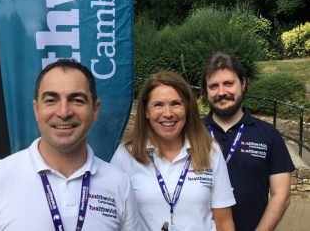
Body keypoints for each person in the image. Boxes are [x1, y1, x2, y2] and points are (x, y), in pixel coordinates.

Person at [0, 59, 141, 231]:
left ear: (95, 110)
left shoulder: (119, 184)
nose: (64, 112)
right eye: (51, 100)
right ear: (36, 110)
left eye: (77, 100)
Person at [111, 71, 236, 231]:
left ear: (188, 109)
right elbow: (111, 219)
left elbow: (224, 222)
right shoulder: (126, 154)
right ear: (146, 112)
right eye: (158, 105)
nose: (168, 113)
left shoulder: (210, 151)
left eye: (176, 103)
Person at [201, 52, 295, 231]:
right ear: (206, 91)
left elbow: (281, 196)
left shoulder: (268, 135)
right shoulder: (192, 134)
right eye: (213, 86)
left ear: (243, 84)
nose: (222, 92)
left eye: (229, 83)